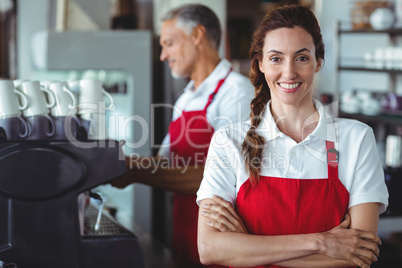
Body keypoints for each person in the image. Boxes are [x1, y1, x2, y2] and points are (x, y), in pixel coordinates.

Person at [197, 5, 389, 268]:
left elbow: (360, 254)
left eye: (301, 58)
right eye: (276, 58)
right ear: (261, 63)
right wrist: (322, 242)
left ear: (318, 62)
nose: (289, 72)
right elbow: (209, 249)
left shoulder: (357, 139)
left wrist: (249, 244)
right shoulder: (228, 140)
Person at [111, 3, 254, 267]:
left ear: (198, 35)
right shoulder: (186, 98)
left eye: (169, 44)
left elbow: (232, 177)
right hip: (184, 234)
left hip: (224, 244)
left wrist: (134, 170)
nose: (163, 55)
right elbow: (166, 162)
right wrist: (118, 162)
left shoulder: (237, 92)